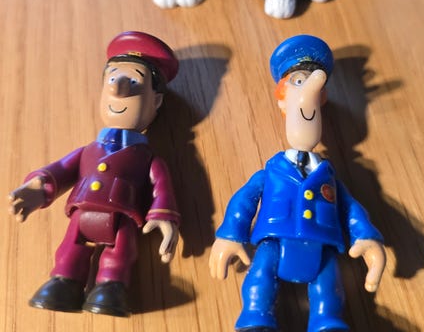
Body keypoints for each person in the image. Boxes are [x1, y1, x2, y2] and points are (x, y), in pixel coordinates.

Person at [209, 35, 386, 331]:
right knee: (260, 277)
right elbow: (244, 200)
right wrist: (231, 234)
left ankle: (327, 322)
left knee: (328, 287)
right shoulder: (271, 172)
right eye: (298, 82)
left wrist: (365, 236)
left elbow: (349, 208)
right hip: (274, 240)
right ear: (282, 101)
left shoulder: (329, 176)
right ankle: (256, 317)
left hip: (321, 244)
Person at [8, 31, 180, 317]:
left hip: (123, 215)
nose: (118, 89)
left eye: (134, 82)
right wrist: (38, 187)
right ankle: (64, 281)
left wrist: (163, 216)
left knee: (121, 252)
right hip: (82, 210)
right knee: (70, 247)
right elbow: (62, 169)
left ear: (157, 100)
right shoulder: (88, 150)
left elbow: (162, 188)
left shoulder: (148, 158)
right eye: (112, 80)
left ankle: (111, 286)